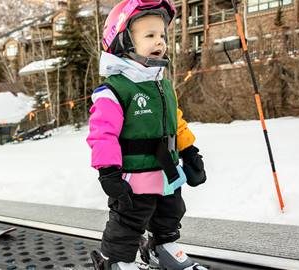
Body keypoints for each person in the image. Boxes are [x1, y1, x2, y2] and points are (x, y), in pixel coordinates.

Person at [86, 0, 207, 269]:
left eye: (162, 35)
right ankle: (116, 260)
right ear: (123, 40)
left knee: (171, 212)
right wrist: (108, 171)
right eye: (149, 35)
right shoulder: (116, 90)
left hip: (166, 172)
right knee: (129, 220)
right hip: (134, 177)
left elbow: (176, 122)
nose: (160, 41)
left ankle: (162, 247)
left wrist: (189, 152)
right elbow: (102, 134)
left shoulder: (161, 83)